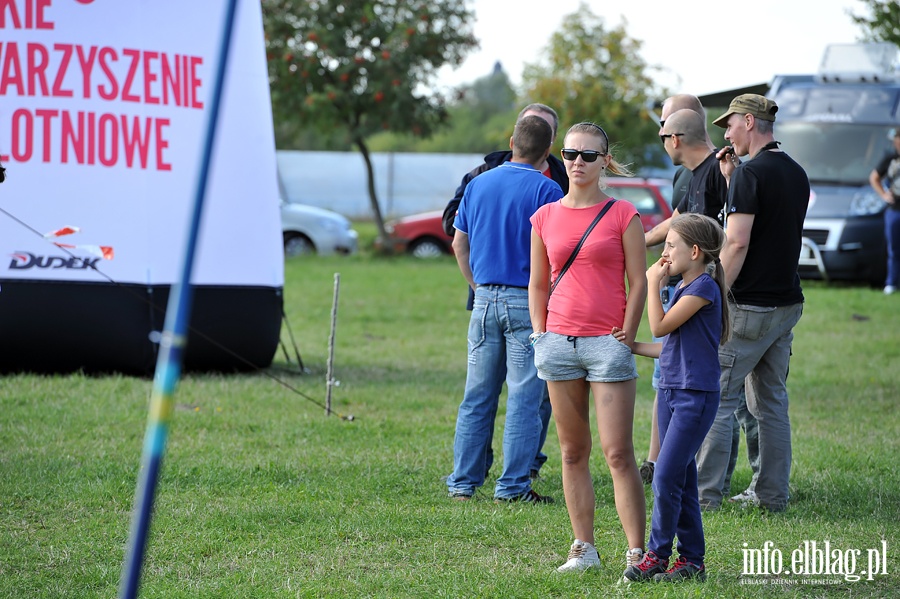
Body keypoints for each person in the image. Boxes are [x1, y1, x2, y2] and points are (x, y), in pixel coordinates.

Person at [528, 122, 647, 573]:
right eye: (571, 153)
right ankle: (584, 549)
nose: (577, 162)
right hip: (557, 342)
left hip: (606, 344)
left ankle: (638, 552)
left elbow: (639, 282)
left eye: (589, 155)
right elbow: (537, 283)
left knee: (618, 453)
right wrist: (541, 334)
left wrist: (628, 332)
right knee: (571, 451)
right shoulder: (544, 216)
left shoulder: (623, 214)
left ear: (605, 162)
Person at [640, 96, 760, 495]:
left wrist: (706, 287)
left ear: (674, 138)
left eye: (661, 132)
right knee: (684, 384)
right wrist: (636, 241)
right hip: (690, 293)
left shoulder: (714, 173)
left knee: (729, 400)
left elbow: (728, 237)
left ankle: (697, 479)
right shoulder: (692, 175)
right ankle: (660, 464)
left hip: (702, 295)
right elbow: (676, 222)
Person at [695, 94, 809, 513]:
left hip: (748, 309)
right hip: (785, 304)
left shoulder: (751, 175)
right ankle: (771, 495)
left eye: (729, 126)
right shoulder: (795, 172)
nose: (725, 134)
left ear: (749, 121)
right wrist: (731, 183)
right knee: (771, 402)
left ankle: (705, 497)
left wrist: (714, 293)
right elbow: (771, 228)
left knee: (718, 400)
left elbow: (739, 241)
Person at [443, 103, 568, 481]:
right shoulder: (548, 189)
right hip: (524, 301)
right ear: (547, 151)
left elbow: (457, 243)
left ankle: (463, 481)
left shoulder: (478, 183)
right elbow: (556, 252)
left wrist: (476, 284)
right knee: (524, 398)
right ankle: (513, 483)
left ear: (512, 142)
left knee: (477, 396)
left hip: (483, 299)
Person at [621, 213, 729, 583]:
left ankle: (657, 555)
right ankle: (692, 562)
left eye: (670, 246)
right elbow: (668, 345)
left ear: (694, 251)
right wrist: (632, 346)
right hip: (670, 391)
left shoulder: (702, 288)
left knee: (665, 477)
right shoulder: (687, 286)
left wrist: (653, 283)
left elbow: (660, 324)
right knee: (679, 477)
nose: (663, 253)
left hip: (693, 398)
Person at [868, 128, 900, 295]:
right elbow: (874, 177)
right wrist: (884, 195)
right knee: (894, 248)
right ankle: (892, 283)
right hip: (895, 208)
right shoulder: (891, 157)